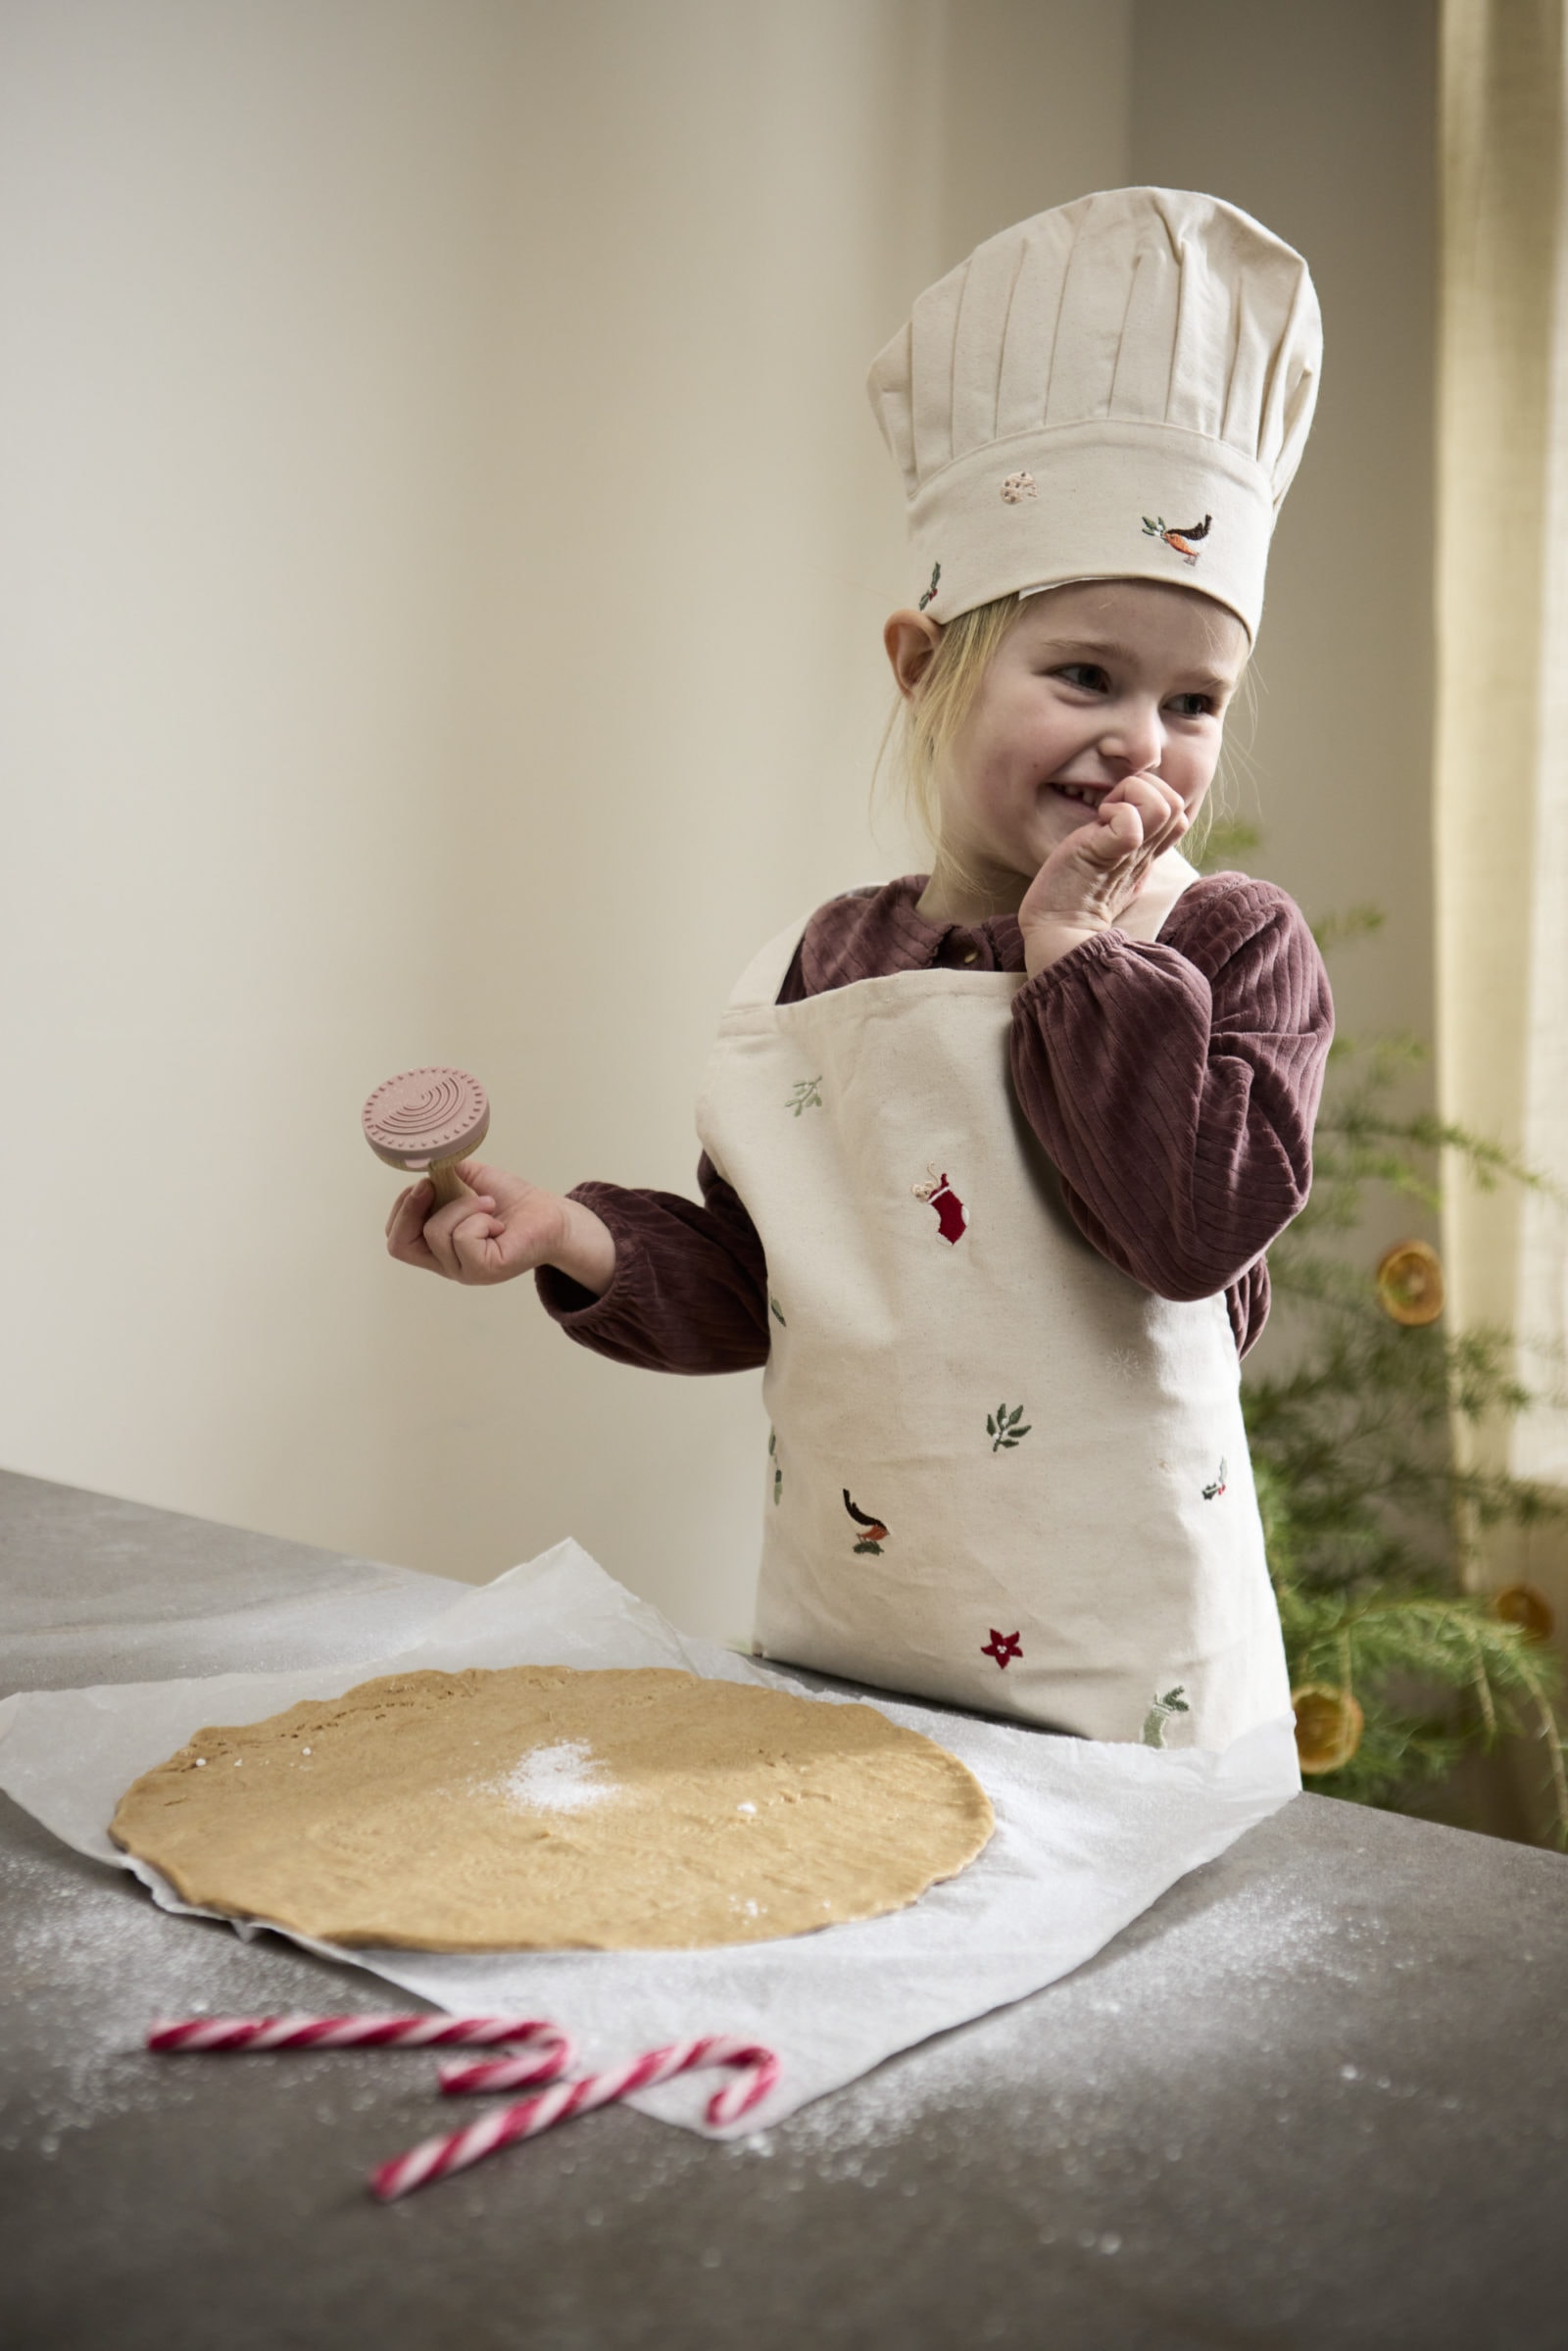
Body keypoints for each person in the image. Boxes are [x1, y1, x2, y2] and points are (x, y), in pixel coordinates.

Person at [385, 189, 1333, 1752]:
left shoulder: (1231, 949)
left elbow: (1184, 1236)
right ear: (923, 666)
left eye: (1193, 702)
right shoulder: (820, 966)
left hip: (1130, 1688)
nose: (1139, 741)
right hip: (855, 1652)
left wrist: (1077, 962)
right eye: (1085, 674)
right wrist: (567, 1234)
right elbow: (772, 1288)